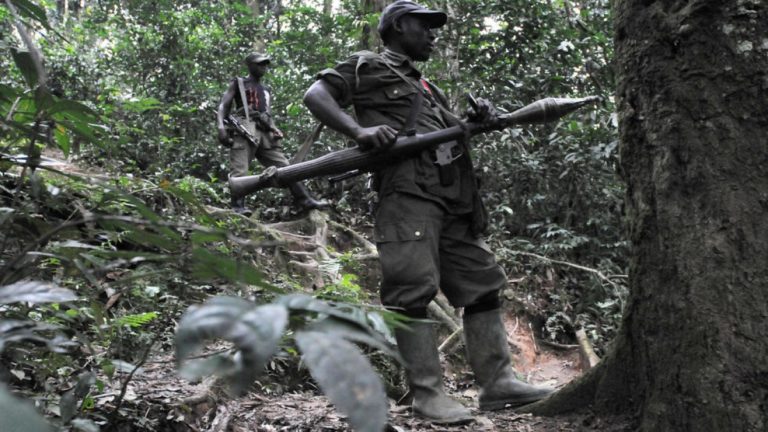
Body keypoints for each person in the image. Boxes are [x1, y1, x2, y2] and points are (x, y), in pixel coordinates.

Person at [303, 0, 553, 425]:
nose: (433, 35)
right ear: (400, 26)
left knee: (482, 283)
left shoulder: (425, 87)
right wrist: (359, 130)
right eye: (426, 27)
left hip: (451, 197)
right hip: (408, 194)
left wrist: (477, 119)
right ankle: (428, 396)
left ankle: (498, 384)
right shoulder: (367, 65)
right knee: (411, 289)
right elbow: (316, 94)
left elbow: (451, 131)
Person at [217, 52, 328, 215]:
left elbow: (267, 113)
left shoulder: (266, 89)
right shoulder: (239, 83)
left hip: (265, 133)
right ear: (250, 65)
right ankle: (238, 207)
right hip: (246, 128)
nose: (264, 67)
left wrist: (274, 129)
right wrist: (221, 127)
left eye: (265, 64)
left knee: (285, 167)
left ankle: (304, 199)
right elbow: (223, 106)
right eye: (260, 64)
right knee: (240, 169)